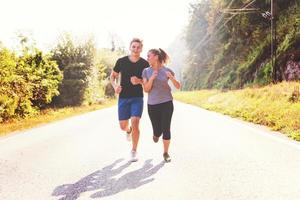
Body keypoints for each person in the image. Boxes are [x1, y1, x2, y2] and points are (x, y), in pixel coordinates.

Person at [110, 38, 149, 162]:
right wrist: (115, 86)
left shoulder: (145, 64)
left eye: (138, 47)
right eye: (134, 47)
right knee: (123, 126)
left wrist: (139, 81)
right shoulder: (121, 61)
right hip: (123, 98)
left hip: (137, 97)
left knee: (135, 121)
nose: (136, 49)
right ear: (130, 47)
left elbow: (147, 83)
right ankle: (129, 131)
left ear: (141, 49)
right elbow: (113, 76)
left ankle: (134, 150)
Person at [142, 48, 181, 162]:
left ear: (156, 57)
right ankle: (156, 134)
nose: (147, 58)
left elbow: (178, 86)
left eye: (149, 56)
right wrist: (152, 79)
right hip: (152, 105)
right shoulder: (145, 71)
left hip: (167, 102)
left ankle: (166, 153)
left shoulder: (167, 70)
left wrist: (172, 77)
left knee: (166, 127)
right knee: (158, 130)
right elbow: (146, 89)